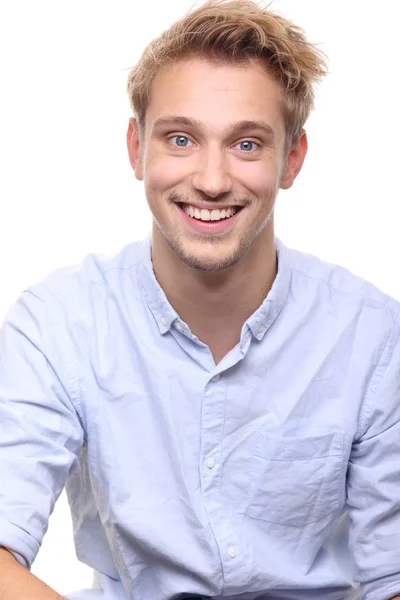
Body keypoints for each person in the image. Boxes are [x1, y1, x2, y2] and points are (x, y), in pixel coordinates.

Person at [1, 0, 400, 598]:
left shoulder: (372, 337)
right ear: (136, 148)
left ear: (292, 158)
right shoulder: (56, 324)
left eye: (246, 144)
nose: (211, 180)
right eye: (181, 138)